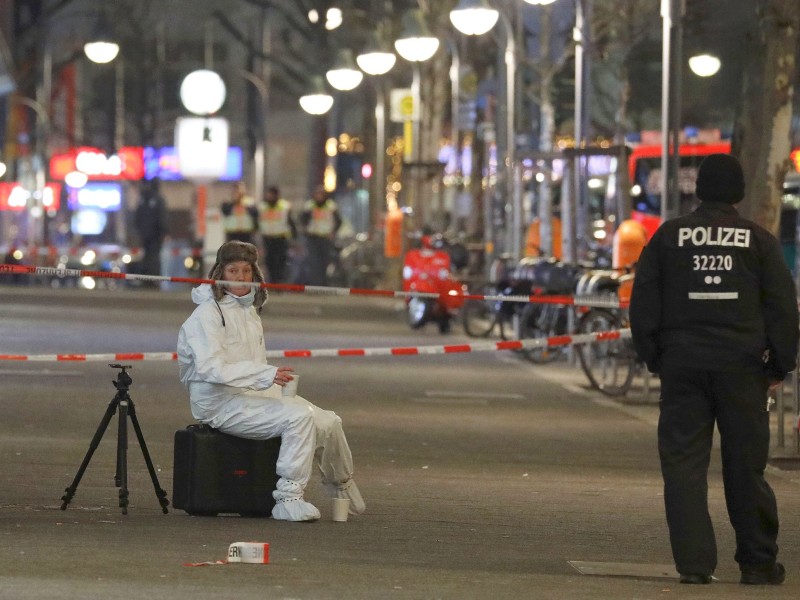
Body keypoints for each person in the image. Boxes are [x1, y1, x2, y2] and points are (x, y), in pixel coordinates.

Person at [629, 154, 798, 586]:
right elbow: (782, 307)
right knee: (746, 466)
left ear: (699, 189)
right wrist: (780, 364)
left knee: (683, 465)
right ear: (739, 193)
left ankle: (694, 564)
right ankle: (758, 562)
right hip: (743, 368)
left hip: (683, 366)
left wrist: (654, 355)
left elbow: (643, 299)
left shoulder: (668, 237)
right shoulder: (759, 241)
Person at [177, 240, 365, 522]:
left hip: (254, 394)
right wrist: (266, 375)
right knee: (299, 417)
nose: (240, 278)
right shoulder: (206, 315)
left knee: (328, 421)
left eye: (246, 271)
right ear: (219, 274)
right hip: (219, 403)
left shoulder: (248, 311)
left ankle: (340, 482)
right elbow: (209, 368)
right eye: (233, 270)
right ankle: (288, 497)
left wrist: (269, 379)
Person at [299, 185, 342, 285]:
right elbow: (302, 220)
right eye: (317, 194)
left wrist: (333, 232)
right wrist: (305, 229)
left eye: (321, 194)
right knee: (314, 262)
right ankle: (315, 284)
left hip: (325, 238)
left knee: (324, 261)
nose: (319, 196)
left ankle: (323, 284)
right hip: (313, 237)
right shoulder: (309, 206)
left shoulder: (331, 206)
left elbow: (339, 221)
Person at [258, 186, 297, 283]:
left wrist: (294, 237)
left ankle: (280, 282)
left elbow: (291, 222)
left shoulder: (284, 206)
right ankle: (272, 282)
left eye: (271, 195)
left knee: (281, 261)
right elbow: (258, 222)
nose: (269, 197)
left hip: (281, 238)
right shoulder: (262, 207)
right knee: (269, 261)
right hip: (267, 238)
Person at [134, 179, 168, 280]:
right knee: (154, 256)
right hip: (156, 235)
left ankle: (145, 278)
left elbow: (137, 217)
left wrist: (139, 230)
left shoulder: (142, 199)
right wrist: (164, 231)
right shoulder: (159, 200)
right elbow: (162, 217)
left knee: (146, 255)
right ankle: (154, 279)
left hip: (144, 234)